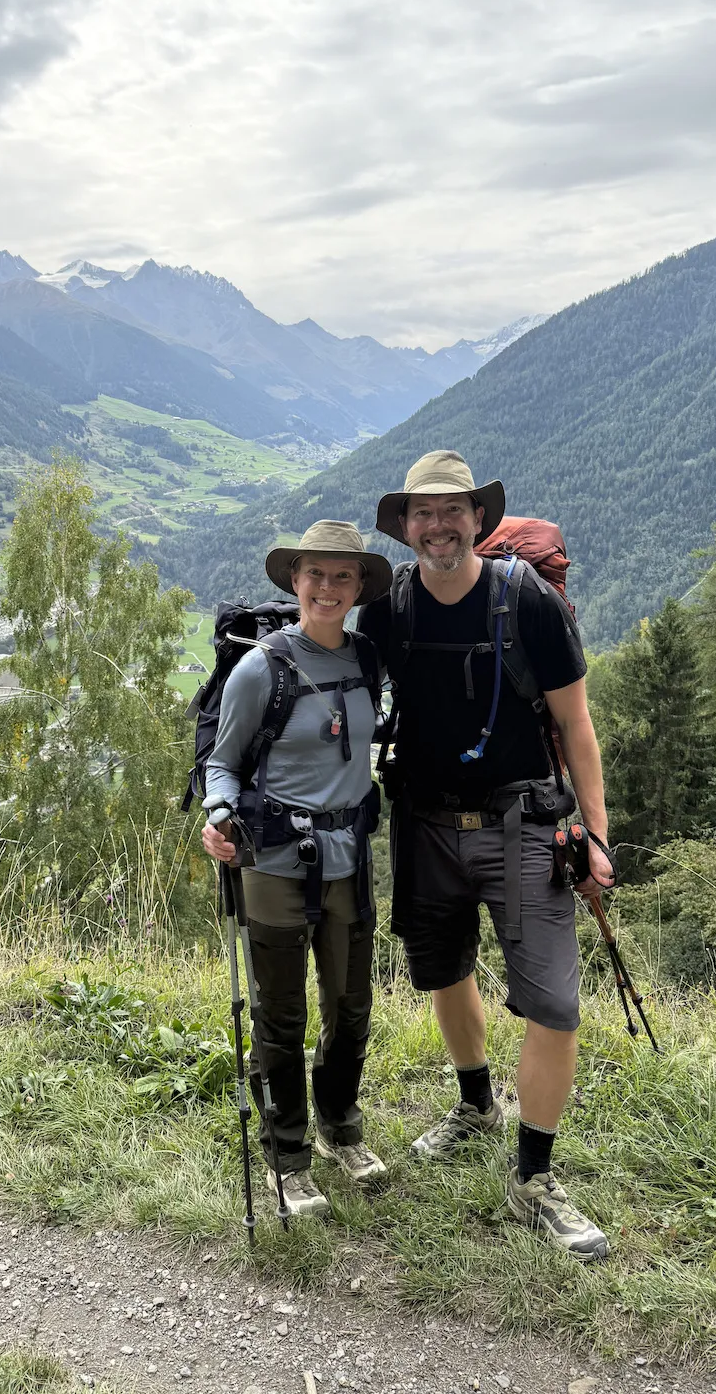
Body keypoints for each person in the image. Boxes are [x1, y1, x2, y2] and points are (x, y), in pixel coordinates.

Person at [358, 451, 616, 1262]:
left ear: (477, 518)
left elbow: (576, 726)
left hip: (522, 823)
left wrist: (597, 835)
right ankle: (476, 1107)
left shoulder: (526, 600)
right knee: (443, 970)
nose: (436, 526)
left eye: (451, 511)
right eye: (421, 514)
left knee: (552, 1004)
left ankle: (533, 1176)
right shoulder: (390, 607)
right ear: (403, 527)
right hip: (423, 822)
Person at [202, 520, 392, 1217]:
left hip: (348, 859)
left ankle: (341, 1126)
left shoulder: (367, 660)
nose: (327, 587)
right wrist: (218, 815)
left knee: (350, 1007)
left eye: (342, 577)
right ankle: (287, 1156)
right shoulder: (262, 668)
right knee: (280, 1015)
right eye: (314, 573)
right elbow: (221, 763)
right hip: (276, 862)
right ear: (294, 580)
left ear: (358, 588)